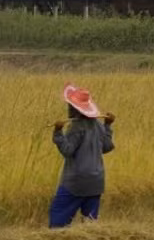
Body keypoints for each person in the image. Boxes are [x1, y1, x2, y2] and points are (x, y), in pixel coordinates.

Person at [48, 83, 115, 228]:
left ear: (74, 108)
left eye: (70, 106)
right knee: (90, 224)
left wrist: (58, 132)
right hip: (96, 181)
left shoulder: (76, 127)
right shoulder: (98, 125)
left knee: (57, 218)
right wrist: (108, 125)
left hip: (76, 181)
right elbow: (107, 147)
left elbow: (67, 150)